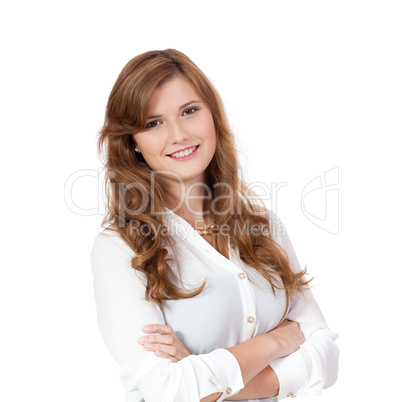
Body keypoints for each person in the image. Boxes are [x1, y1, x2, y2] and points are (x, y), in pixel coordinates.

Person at [90, 49, 339, 402]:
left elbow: (327, 357)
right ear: (132, 142)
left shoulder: (264, 226)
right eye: (153, 123)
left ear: (212, 114)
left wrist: (199, 371)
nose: (178, 135)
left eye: (189, 111)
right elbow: (168, 391)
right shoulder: (120, 248)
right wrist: (277, 341)